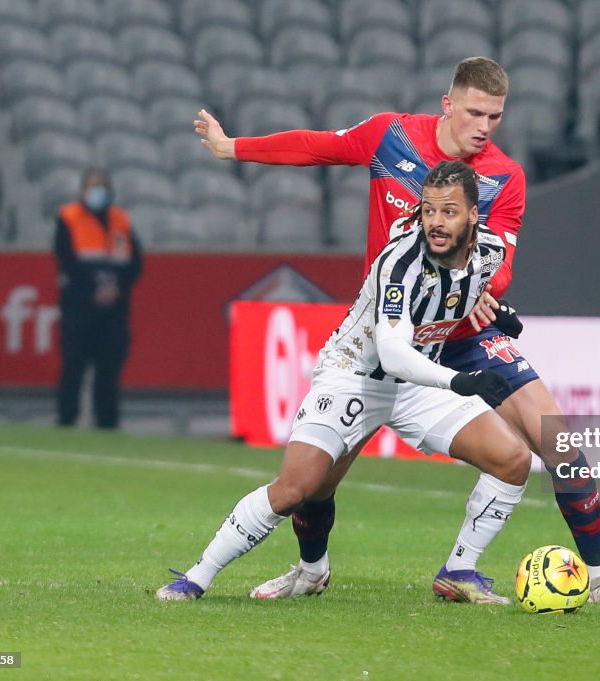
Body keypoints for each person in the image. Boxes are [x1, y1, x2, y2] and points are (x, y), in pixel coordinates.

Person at [194, 57, 600, 605]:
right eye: (475, 112)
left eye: (496, 116)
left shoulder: (504, 176)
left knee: (558, 442)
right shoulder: (390, 137)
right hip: (392, 337)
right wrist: (233, 146)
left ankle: (597, 580)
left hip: (464, 332)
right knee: (314, 485)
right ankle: (311, 568)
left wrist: (484, 287)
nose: (484, 126)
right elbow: (316, 146)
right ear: (448, 104)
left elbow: (500, 263)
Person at [158, 161, 531, 603]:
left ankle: (459, 570)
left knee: (513, 459)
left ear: (473, 216)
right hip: (354, 375)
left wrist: (497, 311)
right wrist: (461, 382)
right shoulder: (401, 261)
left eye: (449, 212)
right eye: (429, 211)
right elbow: (393, 353)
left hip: (417, 386)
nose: (436, 222)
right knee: (297, 489)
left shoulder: (488, 250)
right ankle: (198, 577)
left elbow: (462, 287)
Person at [54, 168, 142, 429]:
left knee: (110, 369)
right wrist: (95, 289)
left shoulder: (120, 220)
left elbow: (135, 263)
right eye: (93, 187)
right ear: (82, 191)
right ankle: (67, 418)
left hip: (115, 310)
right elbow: (67, 261)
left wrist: (117, 288)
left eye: (102, 187)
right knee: (74, 365)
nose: (98, 193)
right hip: (80, 306)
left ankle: (107, 421)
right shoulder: (69, 218)